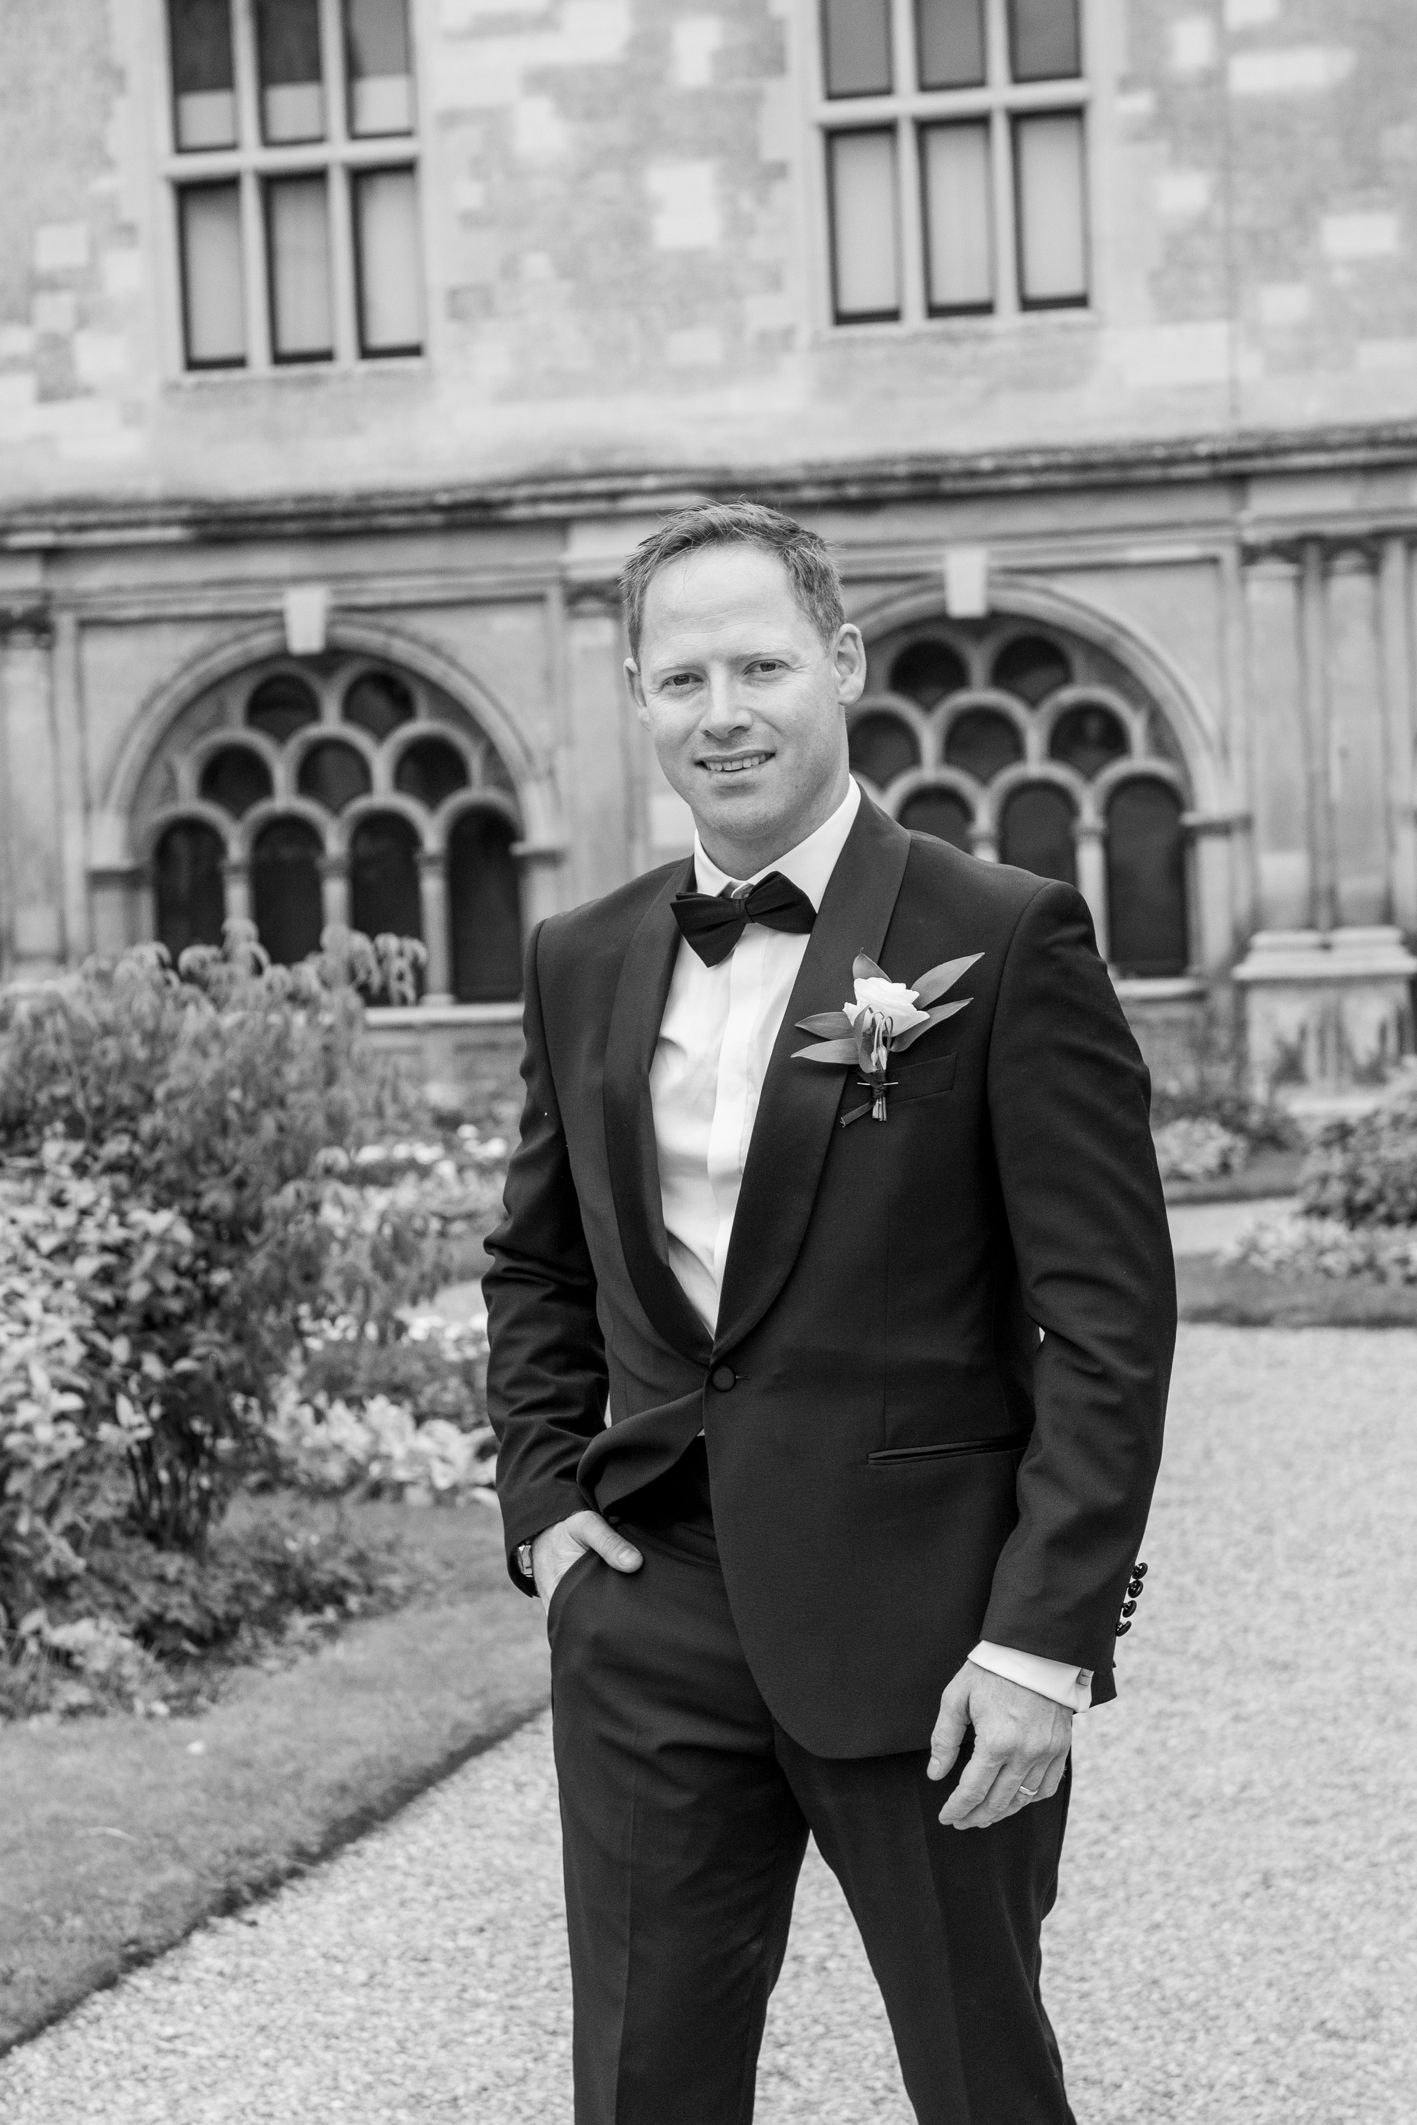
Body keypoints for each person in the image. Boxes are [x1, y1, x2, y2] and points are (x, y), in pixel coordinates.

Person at [484, 500, 1175, 2125]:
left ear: (843, 662)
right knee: (642, 2089)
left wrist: (1041, 1640)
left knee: (980, 2084)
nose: (720, 712)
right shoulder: (578, 953)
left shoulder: (999, 933)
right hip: (648, 1611)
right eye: (681, 678)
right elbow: (537, 1261)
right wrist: (545, 1501)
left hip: (929, 1634)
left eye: (760, 666)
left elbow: (1106, 1321)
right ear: (637, 696)